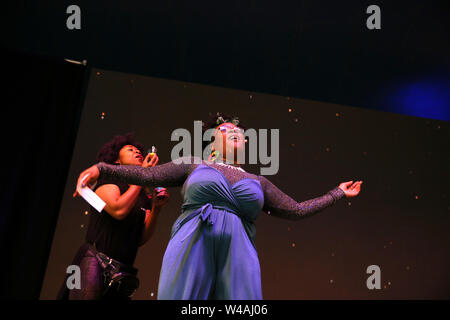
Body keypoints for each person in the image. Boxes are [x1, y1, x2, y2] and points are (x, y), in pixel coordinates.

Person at [74, 114, 362, 300]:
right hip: (192, 243)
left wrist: (337, 193)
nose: (235, 132)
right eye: (226, 129)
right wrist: (101, 170)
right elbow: (147, 175)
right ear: (213, 141)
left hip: (239, 252)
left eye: (239, 131)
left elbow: (297, 209)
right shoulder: (193, 164)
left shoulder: (258, 181)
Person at [59, 133, 169, 300]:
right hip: (95, 264)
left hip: (122, 274)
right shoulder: (110, 181)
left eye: (138, 150)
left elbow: (140, 238)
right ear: (117, 160)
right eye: (130, 149)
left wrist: (156, 208)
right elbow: (118, 210)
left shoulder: (142, 195)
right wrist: (142, 176)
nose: (137, 151)